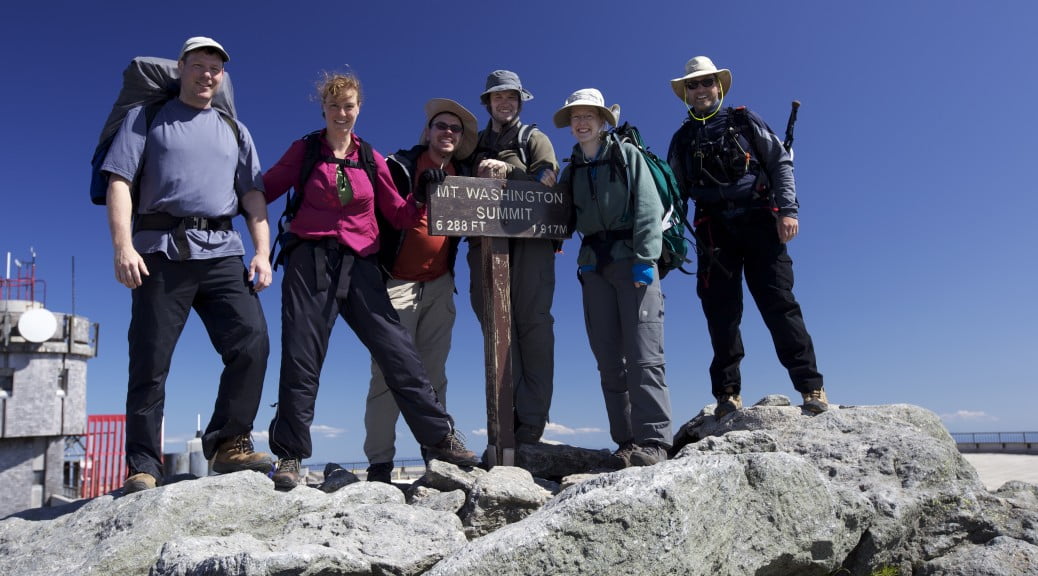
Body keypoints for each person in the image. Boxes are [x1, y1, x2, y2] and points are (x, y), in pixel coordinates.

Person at [263, 73, 480, 490]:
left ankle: (440, 437)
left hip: (362, 264)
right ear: (323, 109)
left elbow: (398, 214)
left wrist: (422, 195)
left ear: (359, 108)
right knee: (302, 358)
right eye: (334, 106)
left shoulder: (370, 157)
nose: (341, 113)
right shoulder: (305, 150)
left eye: (349, 106)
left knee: (398, 352)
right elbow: (265, 188)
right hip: (311, 261)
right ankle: (289, 454)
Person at [101, 37, 273, 494]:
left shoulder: (235, 129)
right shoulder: (147, 117)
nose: (207, 75)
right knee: (150, 360)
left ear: (223, 76)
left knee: (252, 342)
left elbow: (253, 195)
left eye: (215, 68)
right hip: (160, 251)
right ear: (181, 68)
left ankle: (229, 443)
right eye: (198, 65)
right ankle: (143, 465)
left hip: (223, 252)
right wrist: (122, 246)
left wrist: (261, 252)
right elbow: (119, 181)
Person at [666, 56, 828, 418]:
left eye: (706, 82)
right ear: (686, 93)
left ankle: (811, 386)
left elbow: (779, 162)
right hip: (712, 231)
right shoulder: (682, 139)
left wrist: (788, 210)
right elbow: (674, 193)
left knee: (779, 304)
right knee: (720, 314)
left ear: (718, 86)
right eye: (692, 84)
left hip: (760, 221)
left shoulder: (744, 120)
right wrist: (670, 238)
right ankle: (727, 394)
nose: (700, 89)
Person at [554, 89, 672, 468]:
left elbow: (649, 208)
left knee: (643, 355)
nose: (581, 123)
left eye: (589, 116)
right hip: (593, 268)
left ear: (603, 121)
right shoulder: (571, 170)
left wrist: (645, 261)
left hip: (633, 262)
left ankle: (654, 441)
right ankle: (625, 441)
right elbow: (559, 217)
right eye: (575, 117)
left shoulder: (627, 156)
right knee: (608, 359)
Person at [363, 98, 477, 483]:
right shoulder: (399, 166)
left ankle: (437, 451)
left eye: (455, 129)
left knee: (434, 374)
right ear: (428, 131)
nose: (448, 133)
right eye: (441, 126)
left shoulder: (465, 174)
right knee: (386, 375)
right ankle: (380, 463)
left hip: (440, 285)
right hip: (397, 283)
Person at [467, 70, 559, 444]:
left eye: (511, 97)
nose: (504, 103)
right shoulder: (472, 143)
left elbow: (548, 178)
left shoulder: (533, 138)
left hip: (531, 244)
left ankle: (531, 421)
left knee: (532, 326)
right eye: (497, 97)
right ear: (488, 102)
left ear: (520, 102)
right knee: (496, 329)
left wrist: (510, 170)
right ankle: (506, 419)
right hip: (484, 246)